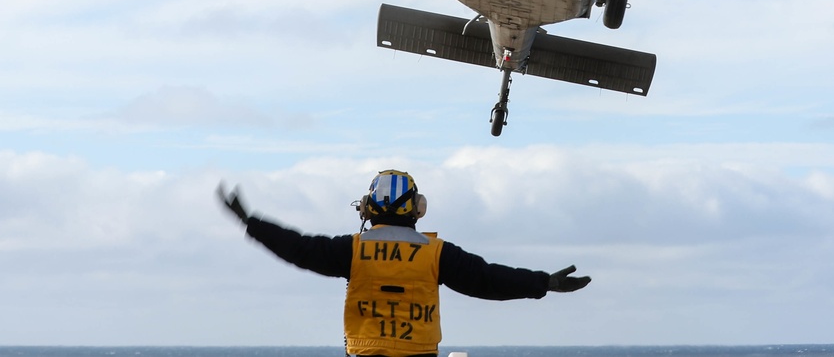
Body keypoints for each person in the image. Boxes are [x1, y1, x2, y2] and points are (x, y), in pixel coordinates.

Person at [217, 169, 591, 357]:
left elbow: (297, 248)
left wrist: (250, 221)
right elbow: (488, 280)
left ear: (367, 208)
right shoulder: (435, 253)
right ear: (416, 209)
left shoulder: (353, 250)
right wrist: (543, 283)